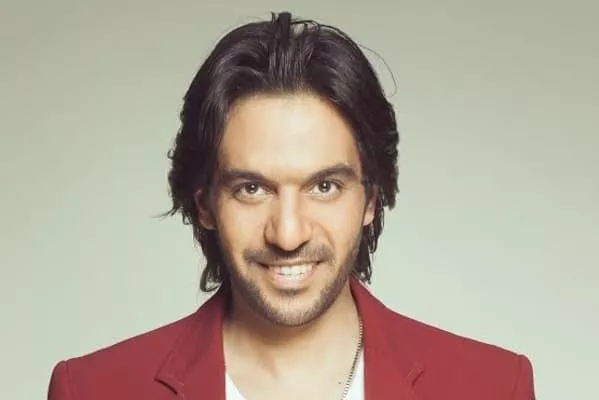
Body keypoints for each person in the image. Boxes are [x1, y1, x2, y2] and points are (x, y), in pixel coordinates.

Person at [48, 11, 536, 400]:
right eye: (251, 189)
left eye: (324, 186)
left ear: (371, 197)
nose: (287, 234)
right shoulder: (91, 390)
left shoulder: (494, 388)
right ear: (204, 204)